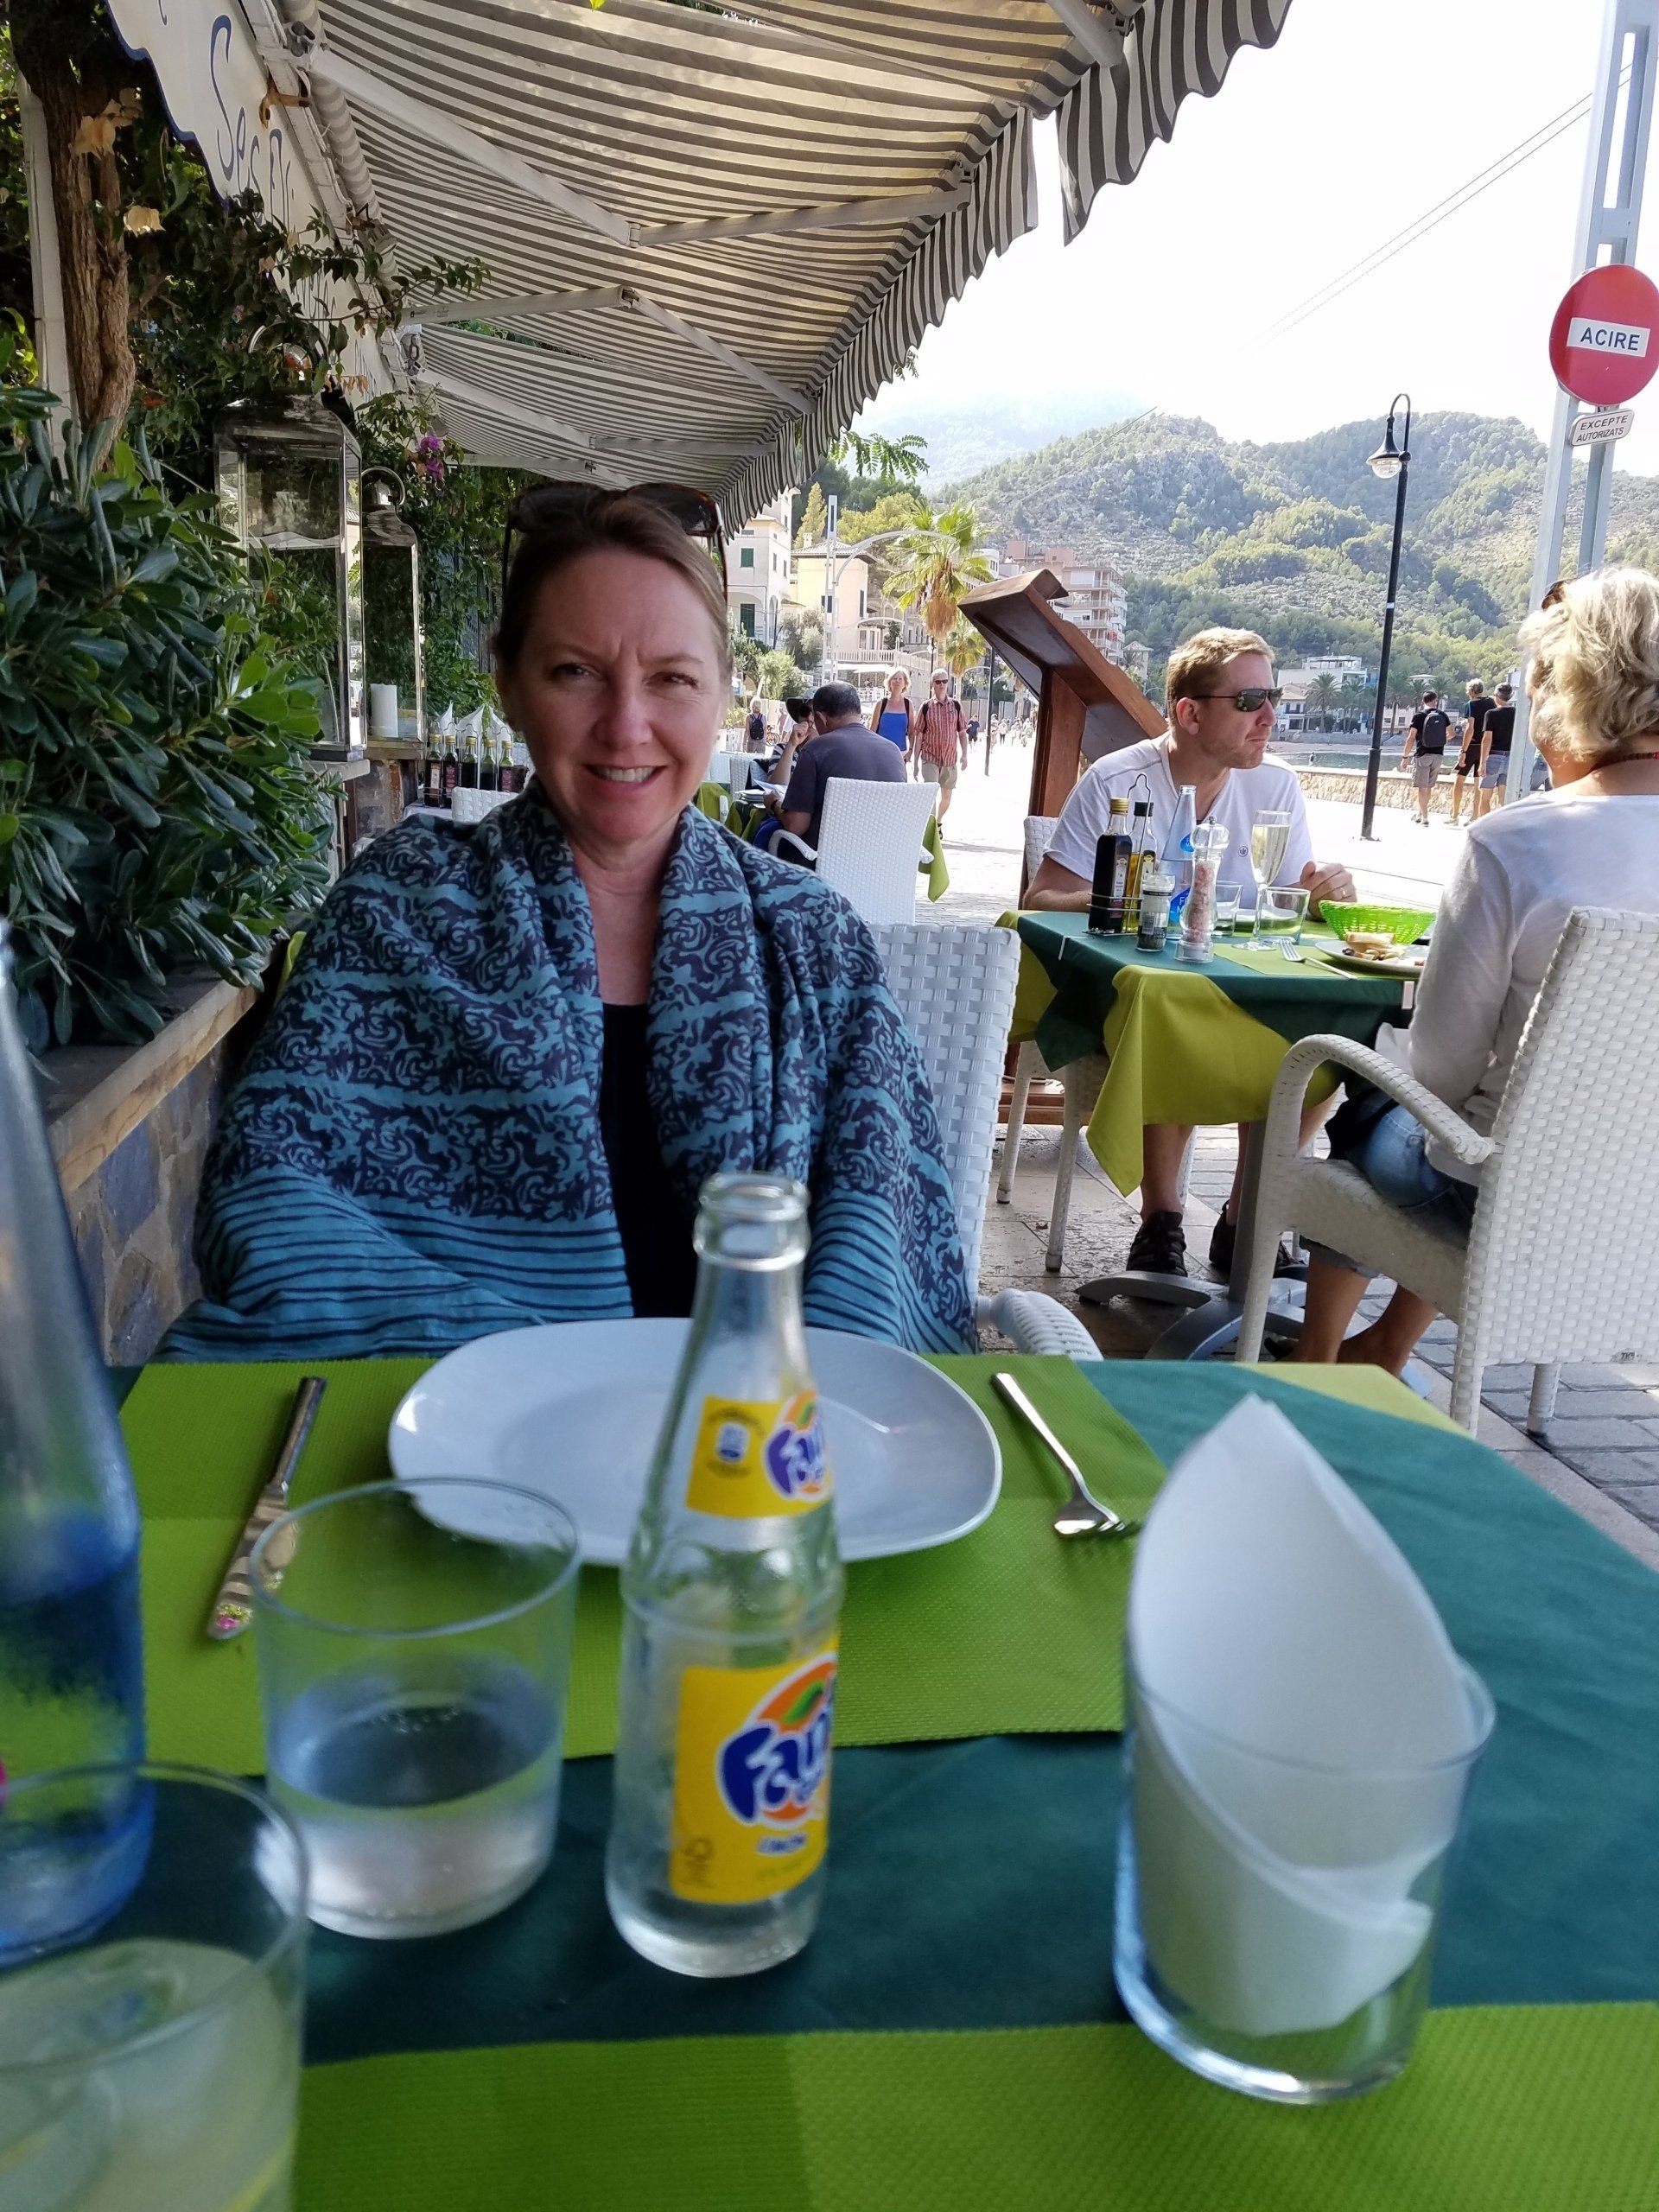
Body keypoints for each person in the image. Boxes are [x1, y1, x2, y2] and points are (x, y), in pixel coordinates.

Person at [163, 494, 973, 1361]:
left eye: (672, 678)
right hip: (453, 1409)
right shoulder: (395, 913)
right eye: (575, 672)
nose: (626, 725)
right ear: (510, 687)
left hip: (747, 1422)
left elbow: (886, 1234)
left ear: (722, 695)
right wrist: (543, 1379)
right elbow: (272, 1191)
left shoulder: (815, 941)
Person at [1295, 567, 1659, 1376]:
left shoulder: (1520, 842)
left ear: (1566, 692)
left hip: (1507, 1202)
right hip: (1643, 1220)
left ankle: (1318, 1362)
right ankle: (1384, 1346)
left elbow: (1440, 1070)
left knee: (1372, 1103)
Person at [1026, 626, 1357, 1279]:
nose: (1269, 716)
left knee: (1318, 1046)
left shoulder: (1276, 787)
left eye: (1272, 698)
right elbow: (1042, 897)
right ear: (1190, 712)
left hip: (1237, 987)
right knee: (1174, 1022)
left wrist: (1324, 894)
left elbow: (1286, 899)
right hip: (1132, 995)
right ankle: (1162, 1219)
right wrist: (1129, 899)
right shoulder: (1118, 781)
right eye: (1250, 700)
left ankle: (1243, 1217)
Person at [769, 680, 906, 857]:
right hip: (883, 862)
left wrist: (774, 803)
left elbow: (796, 825)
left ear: (821, 718)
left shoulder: (816, 749)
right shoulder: (893, 752)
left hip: (823, 862)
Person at [911, 671, 968, 818]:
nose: (942, 684)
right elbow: (919, 735)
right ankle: (931, 827)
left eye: (944, 681)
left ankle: (938, 821)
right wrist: (915, 762)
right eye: (938, 682)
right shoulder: (926, 707)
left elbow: (962, 732)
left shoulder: (956, 706)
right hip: (930, 758)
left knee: (947, 797)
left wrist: (965, 755)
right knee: (930, 795)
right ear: (932, 684)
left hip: (950, 760)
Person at [1402, 690, 1450, 825]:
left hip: (1423, 755)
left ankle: (1425, 818)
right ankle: (1420, 814)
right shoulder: (1442, 715)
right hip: (1438, 755)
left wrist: (1405, 757)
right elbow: (1451, 734)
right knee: (1428, 787)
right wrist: (1439, 740)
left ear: (1423, 701)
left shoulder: (1419, 716)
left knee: (1422, 787)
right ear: (1435, 701)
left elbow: (1411, 738)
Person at [1450, 679, 1494, 827]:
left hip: (1473, 745)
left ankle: (1455, 815)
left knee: (1459, 779)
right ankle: (1474, 816)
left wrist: (1464, 750)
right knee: (1477, 783)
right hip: (1485, 746)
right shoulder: (1491, 703)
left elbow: (1470, 728)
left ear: (1471, 691)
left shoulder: (1471, 704)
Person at [1475, 682, 1515, 819]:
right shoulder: (1517, 713)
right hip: (1511, 759)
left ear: (1496, 696)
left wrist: (1482, 763)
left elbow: (1487, 740)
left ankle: (1485, 825)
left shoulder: (1491, 714)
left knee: (1485, 797)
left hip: (1494, 758)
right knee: (1504, 800)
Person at [870, 669, 914, 753]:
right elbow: (873, 729)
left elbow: (911, 731)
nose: (897, 681)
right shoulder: (881, 703)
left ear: (905, 684)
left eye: (900, 679)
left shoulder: (908, 704)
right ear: (890, 682)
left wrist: (910, 751)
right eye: (894, 678)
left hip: (901, 752)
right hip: (881, 751)